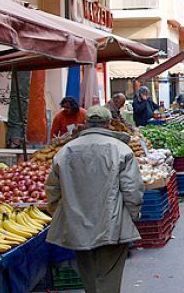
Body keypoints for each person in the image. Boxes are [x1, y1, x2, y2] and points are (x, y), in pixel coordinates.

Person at [45, 105, 144, 293]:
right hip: (112, 223)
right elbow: (132, 190)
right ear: (108, 124)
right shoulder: (120, 149)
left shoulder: (65, 151)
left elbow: (52, 190)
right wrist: (132, 215)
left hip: (76, 224)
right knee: (109, 275)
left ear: (86, 124)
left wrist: (62, 213)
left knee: (88, 273)